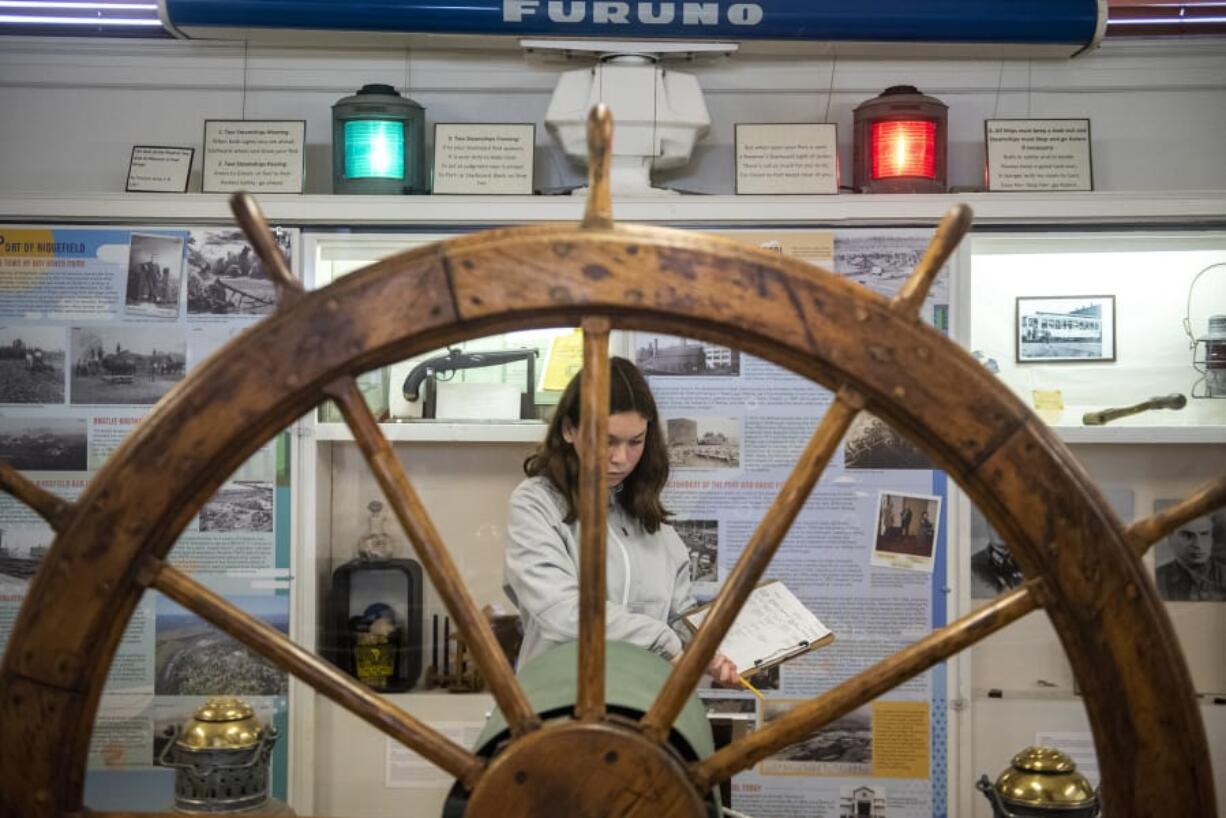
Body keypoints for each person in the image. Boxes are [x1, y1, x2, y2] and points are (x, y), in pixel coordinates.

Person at [503, 356, 739, 686]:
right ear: (569, 429)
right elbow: (564, 612)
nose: (621, 458)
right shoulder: (536, 504)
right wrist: (663, 641)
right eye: (607, 440)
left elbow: (678, 613)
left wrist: (707, 650)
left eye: (635, 442)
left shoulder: (650, 519)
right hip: (560, 705)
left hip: (643, 705)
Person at [1154, 513, 1226, 601]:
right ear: (1170, 538)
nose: (1198, 544)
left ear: (1212, 537)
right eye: (1187, 535)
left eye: (1204, 534)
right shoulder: (1156, 579)